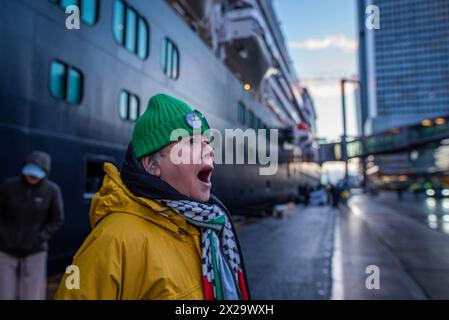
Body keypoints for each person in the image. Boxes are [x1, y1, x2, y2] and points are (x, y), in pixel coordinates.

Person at [55, 93, 250, 300]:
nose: (209, 150)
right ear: (152, 165)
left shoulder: (204, 228)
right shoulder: (114, 240)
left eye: (206, 142)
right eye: (191, 142)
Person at [0, 151, 64, 300]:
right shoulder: (9, 186)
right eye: (30, 172)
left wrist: (39, 238)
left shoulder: (52, 191)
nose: (32, 177)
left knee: (32, 295)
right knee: (5, 294)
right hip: (5, 251)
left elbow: (57, 219)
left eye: (37, 174)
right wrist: (3, 236)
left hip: (36, 252)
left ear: (45, 173)